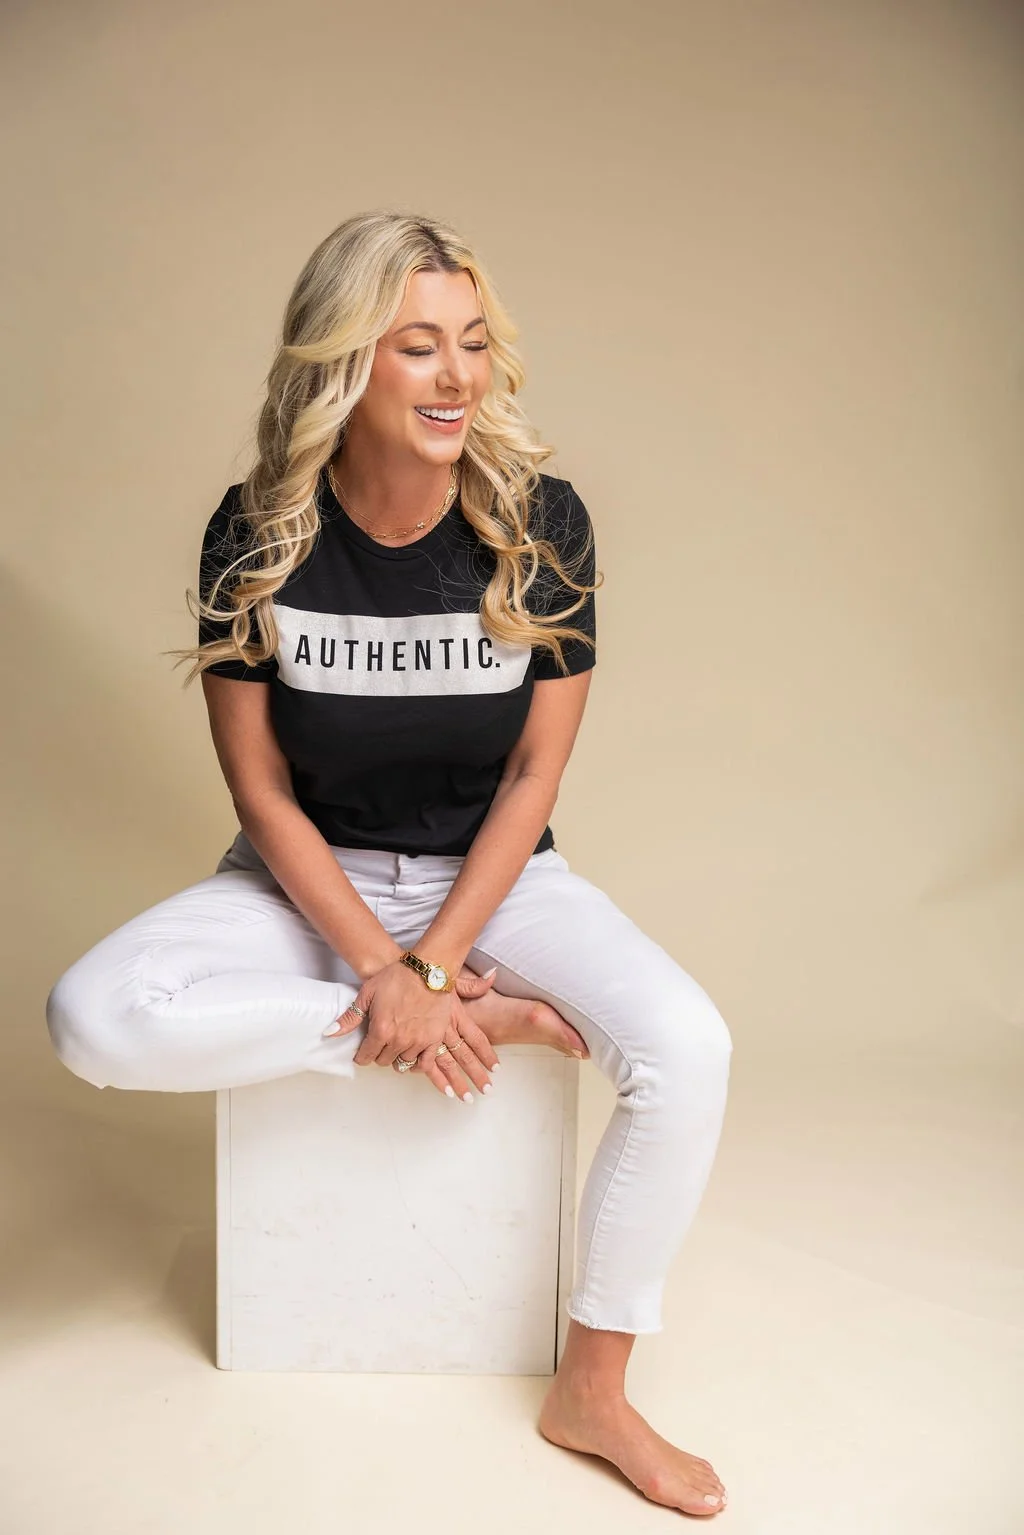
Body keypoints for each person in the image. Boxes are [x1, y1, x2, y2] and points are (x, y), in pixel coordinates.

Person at [45, 210, 732, 1517]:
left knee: (690, 1048)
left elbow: (534, 779)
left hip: (498, 872)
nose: (459, 375)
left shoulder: (543, 524)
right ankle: (465, 1025)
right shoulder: (256, 532)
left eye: (473, 342)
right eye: (419, 345)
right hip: (304, 882)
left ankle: (594, 1383)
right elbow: (259, 786)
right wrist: (391, 979)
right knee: (92, 1012)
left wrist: (435, 951)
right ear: (344, 364)